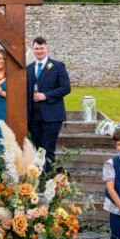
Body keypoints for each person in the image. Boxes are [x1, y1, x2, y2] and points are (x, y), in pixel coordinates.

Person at [26, 36, 71, 176]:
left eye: (41, 48)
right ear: (32, 50)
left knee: (48, 149)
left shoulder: (57, 66)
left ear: (47, 48)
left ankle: (48, 180)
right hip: (33, 117)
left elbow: (66, 88)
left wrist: (46, 96)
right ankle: (38, 178)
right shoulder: (29, 68)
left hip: (51, 116)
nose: (39, 51)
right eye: (36, 49)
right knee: (38, 150)